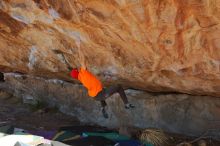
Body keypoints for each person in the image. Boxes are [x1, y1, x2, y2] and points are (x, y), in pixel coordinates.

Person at [70, 67, 135, 118]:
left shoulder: (80, 78)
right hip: (101, 94)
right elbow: (83, 62)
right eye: (77, 70)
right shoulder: (83, 73)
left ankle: (103, 107)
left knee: (102, 91)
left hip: (95, 95)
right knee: (118, 87)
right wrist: (80, 51)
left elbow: (81, 68)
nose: (78, 69)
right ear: (78, 72)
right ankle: (126, 104)